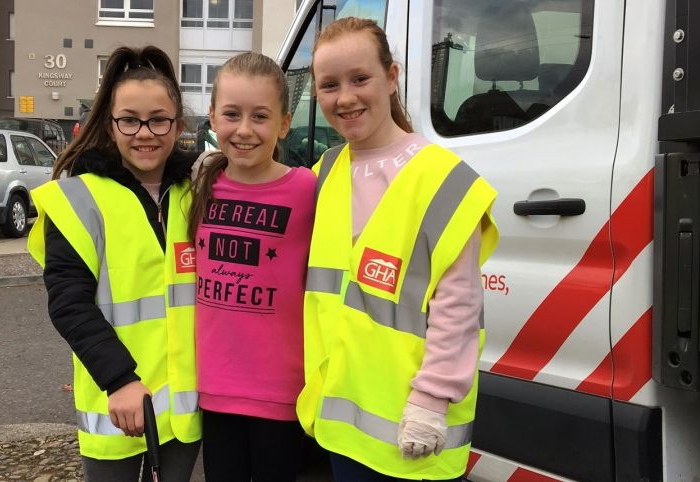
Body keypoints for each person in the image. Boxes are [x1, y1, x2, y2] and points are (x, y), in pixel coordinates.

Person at [296, 17, 499, 481]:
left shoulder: (441, 178)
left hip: (413, 427)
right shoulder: (326, 170)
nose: (344, 97)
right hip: (344, 425)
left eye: (360, 78)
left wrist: (431, 399)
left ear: (392, 76)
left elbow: (459, 304)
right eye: (329, 85)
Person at [26, 45, 201, 482]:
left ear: (177, 124)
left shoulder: (196, 193)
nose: (145, 132)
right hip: (118, 403)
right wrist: (119, 379)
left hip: (182, 407)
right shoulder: (78, 198)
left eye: (159, 119)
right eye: (130, 119)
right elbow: (69, 302)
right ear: (110, 123)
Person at [188, 52, 316, 481]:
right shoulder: (197, 184)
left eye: (260, 116)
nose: (244, 130)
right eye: (231, 114)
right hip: (214, 390)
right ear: (211, 117)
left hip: (281, 393)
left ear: (284, 123)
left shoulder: (308, 190)